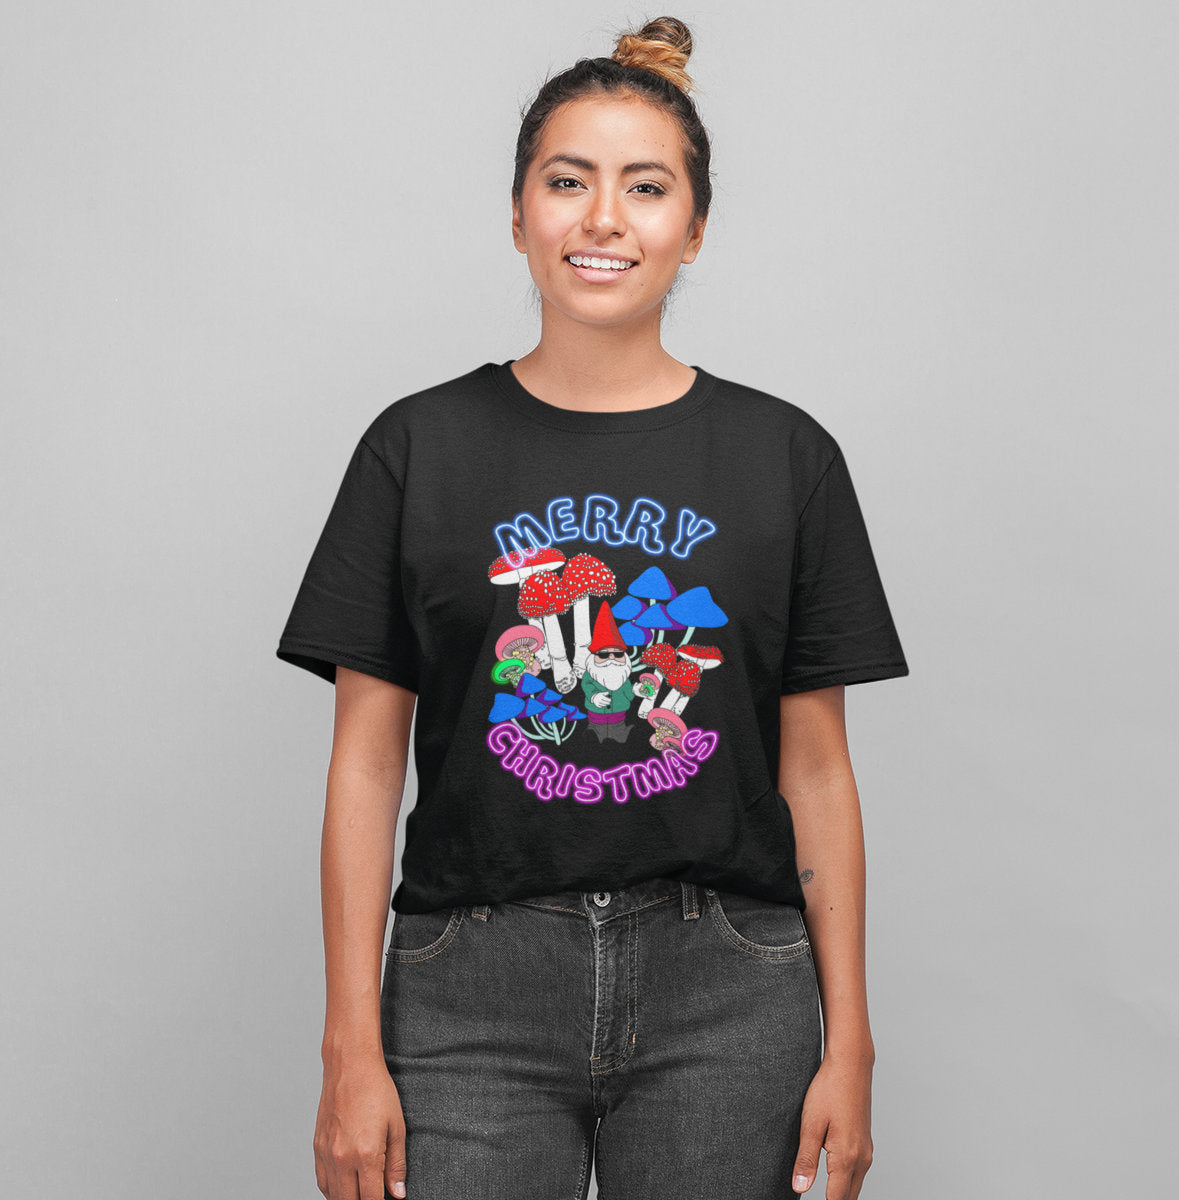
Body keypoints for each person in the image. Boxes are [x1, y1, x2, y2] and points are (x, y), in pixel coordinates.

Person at [276, 16, 909, 1200]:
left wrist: (854, 1044)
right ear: (519, 214)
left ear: (695, 227)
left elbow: (817, 768)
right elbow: (364, 764)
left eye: (646, 187)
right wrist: (348, 1048)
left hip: (730, 987)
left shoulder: (786, 459)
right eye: (568, 181)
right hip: (470, 986)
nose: (604, 217)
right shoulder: (417, 450)